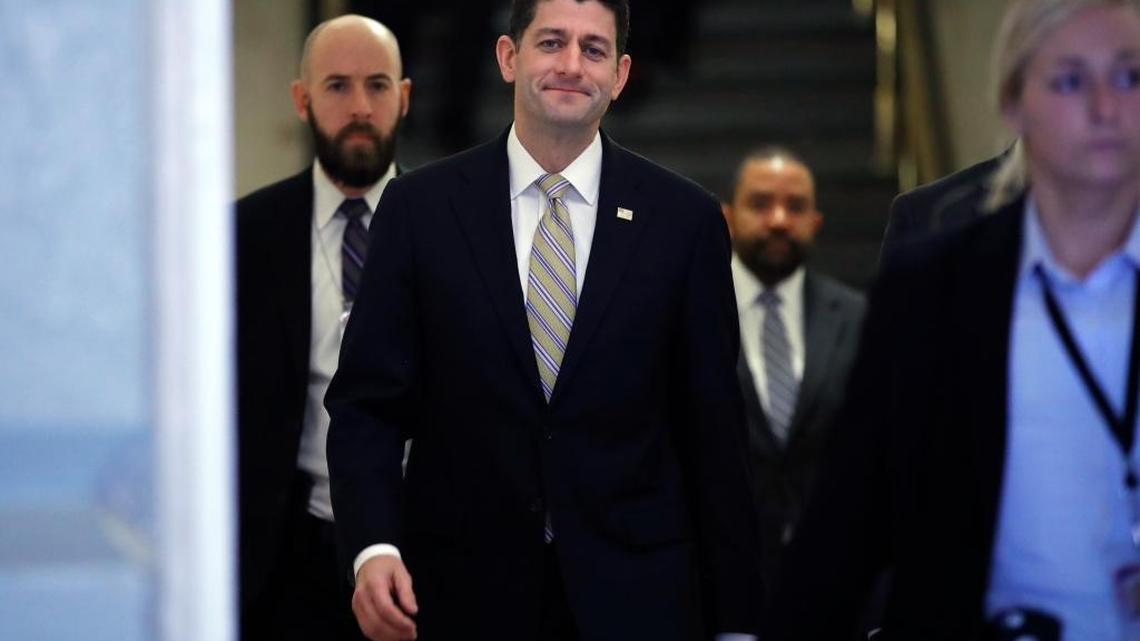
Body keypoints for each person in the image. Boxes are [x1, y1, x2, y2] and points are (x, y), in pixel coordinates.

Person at [325, 1, 763, 640]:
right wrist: (373, 547)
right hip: (461, 598)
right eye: (551, 42)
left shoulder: (685, 221)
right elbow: (367, 405)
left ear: (620, 75)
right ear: (509, 57)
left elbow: (715, 437)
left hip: (639, 601)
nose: (571, 65)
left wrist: (737, 624)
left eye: (594, 49)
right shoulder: (420, 208)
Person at [765, 0, 1140, 639]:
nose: (1105, 108)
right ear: (1014, 105)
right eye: (1071, 80)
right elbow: (845, 534)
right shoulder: (932, 289)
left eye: (1130, 77)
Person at [234, 15, 410, 641]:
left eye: (378, 85)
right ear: (301, 99)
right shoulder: (243, 235)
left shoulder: (452, 229)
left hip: (418, 550)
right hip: (282, 555)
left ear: (405, 97)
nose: (360, 107)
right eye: (337, 86)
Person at [722, 148, 866, 590]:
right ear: (728, 216)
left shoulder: (858, 316)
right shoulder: (691, 309)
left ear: (816, 223)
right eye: (761, 204)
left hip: (833, 580)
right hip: (721, 578)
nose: (780, 220)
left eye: (796, 207)